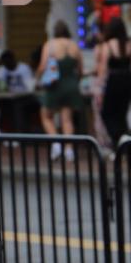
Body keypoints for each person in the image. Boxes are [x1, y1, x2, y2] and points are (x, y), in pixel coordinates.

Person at [36, 20, 84, 161]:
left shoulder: (50, 45)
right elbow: (80, 70)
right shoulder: (74, 45)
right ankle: (69, 150)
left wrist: (37, 79)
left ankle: (56, 143)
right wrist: (76, 81)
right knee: (67, 119)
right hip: (71, 85)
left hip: (54, 85)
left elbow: (42, 66)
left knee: (46, 115)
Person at [96, 17, 131, 147]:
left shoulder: (107, 45)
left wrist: (100, 88)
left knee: (106, 113)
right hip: (127, 80)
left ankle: (117, 140)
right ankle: (123, 140)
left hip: (113, 81)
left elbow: (103, 70)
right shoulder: (129, 44)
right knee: (122, 113)